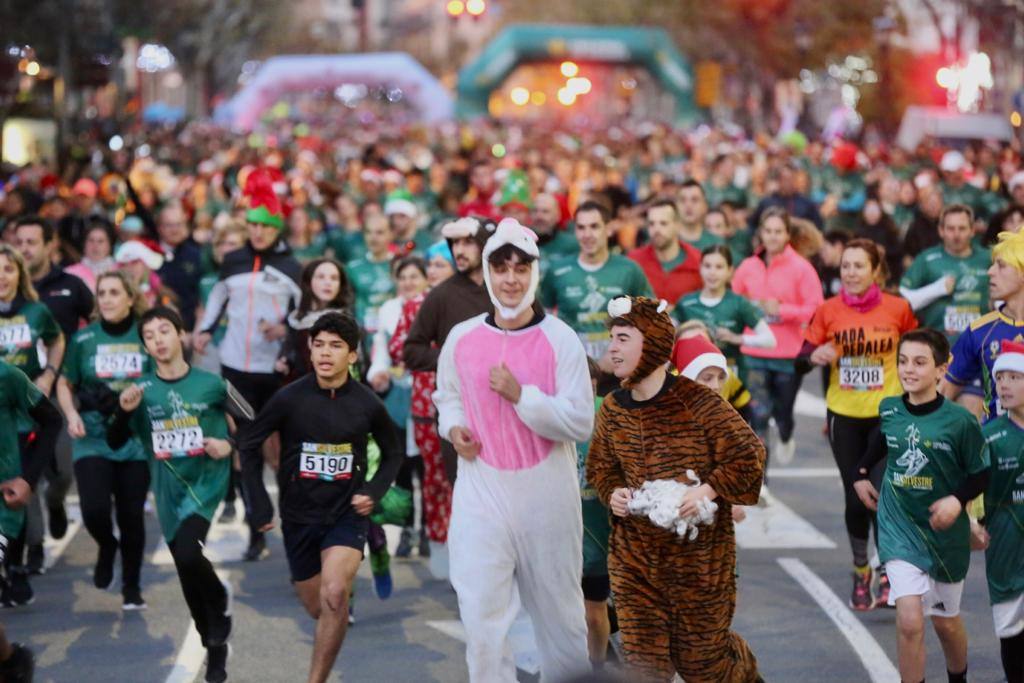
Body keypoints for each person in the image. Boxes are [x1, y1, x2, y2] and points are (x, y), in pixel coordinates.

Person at [434, 218, 593, 683]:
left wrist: (522, 396)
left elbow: (580, 419)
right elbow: (448, 396)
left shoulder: (560, 340)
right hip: (481, 491)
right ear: (486, 272)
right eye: (500, 268)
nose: (510, 279)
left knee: (561, 621)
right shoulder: (462, 337)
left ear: (534, 273)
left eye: (520, 269)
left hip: (547, 498)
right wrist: (454, 428)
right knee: (481, 618)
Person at [586, 295, 765, 682]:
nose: (611, 349)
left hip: (698, 561)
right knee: (644, 669)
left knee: (703, 665)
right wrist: (613, 492)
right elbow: (600, 469)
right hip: (634, 562)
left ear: (649, 342)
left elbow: (749, 455)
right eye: (612, 339)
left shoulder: (698, 401)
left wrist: (709, 490)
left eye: (622, 339)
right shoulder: (613, 408)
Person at [238, 311, 403, 683]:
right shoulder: (288, 399)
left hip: (346, 515)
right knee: (319, 607)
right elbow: (248, 444)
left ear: (352, 356)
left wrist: (373, 492)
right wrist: (259, 503)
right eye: (319, 345)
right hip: (299, 518)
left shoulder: (367, 403)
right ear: (310, 351)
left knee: (333, 593)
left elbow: (393, 453)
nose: (325, 353)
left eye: (336, 346)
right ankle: (344, 595)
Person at [107, 306, 254, 683]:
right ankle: (214, 648)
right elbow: (114, 439)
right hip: (167, 485)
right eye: (150, 336)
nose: (158, 340)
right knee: (187, 573)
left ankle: (219, 604)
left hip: (205, 481)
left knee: (190, 552)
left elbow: (254, 422)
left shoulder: (212, 384)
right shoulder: (139, 390)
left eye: (164, 331)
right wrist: (123, 414)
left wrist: (229, 444)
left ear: (181, 334)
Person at [853, 328, 988, 683]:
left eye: (919, 362)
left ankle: (958, 678)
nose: (908, 370)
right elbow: (881, 442)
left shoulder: (960, 422)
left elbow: (980, 474)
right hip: (899, 526)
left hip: (944, 535)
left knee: (945, 622)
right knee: (910, 620)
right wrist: (862, 472)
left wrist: (957, 502)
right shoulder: (890, 408)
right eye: (902, 361)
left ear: (942, 370)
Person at [801, 238, 917, 610]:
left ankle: (887, 572)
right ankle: (860, 567)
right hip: (845, 415)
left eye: (858, 266)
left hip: (887, 415)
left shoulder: (898, 309)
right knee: (856, 496)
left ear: (876, 271)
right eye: (846, 266)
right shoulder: (828, 310)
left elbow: (917, 348)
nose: (850, 272)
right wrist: (812, 356)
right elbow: (800, 357)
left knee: (883, 494)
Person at [195, 168, 302, 562]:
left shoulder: (291, 266)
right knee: (247, 443)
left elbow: (302, 316)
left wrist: (284, 329)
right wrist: (204, 331)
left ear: (277, 229)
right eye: (252, 226)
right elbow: (218, 299)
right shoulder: (233, 261)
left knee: (286, 449)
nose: (258, 233)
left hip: (275, 372)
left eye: (265, 227)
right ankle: (258, 525)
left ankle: (291, 522)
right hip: (235, 369)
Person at [56, 271, 151, 609]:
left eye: (114, 292)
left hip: (135, 438)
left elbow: (161, 378)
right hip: (93, 437)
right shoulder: (83, 340)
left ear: (130, 297)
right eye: (102, 293)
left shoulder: (146, 333)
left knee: (131, 515)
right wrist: (72, 415)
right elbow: (64, 383)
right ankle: (107, 545)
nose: (107, 299)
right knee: (94, 510)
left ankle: (131, 585)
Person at [403, 216, 495, 484]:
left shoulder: (505, 289)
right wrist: (456, 357)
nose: (459, 250)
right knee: (468, 500)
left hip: (506, 409)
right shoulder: (442, 295)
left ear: (485, 244)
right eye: (454, 243)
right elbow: (412, 351)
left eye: (468, 242)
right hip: (461, 415)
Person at [732, 207, 823, 462]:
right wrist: (748, 308)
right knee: (758, 414)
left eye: (777, 232)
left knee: (782, 414)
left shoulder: (801, 268)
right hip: (754, 352)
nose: (772, 237)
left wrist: (782, 310)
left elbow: (815, 308)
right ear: (761, 233)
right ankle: (762, 480)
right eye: (768, 231)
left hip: (787, 355)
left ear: (786, 235)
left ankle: (785, 434)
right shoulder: (749, 266)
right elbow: (734, 300)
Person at [0, 243, 65, 584]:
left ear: (20, 274)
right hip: (3, 415)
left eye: (8, 269)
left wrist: (49, 375)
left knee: (25, 481)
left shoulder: (36, 311)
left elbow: (57, 339)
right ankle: (16, 564)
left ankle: (23, 558)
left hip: (28, 405)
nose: (1, 276)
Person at [390, 241, 457, 572]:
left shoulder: (471, 302)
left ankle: (466, 541)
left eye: (440, 265)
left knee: (461, 478)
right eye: (431, 265)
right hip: (425, 404)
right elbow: (399, 350)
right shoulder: (413, 304)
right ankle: (439, 542)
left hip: (465, 403)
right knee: (434, 476)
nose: (433, 271)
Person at [367, 255, 430, 558]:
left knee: (427, 468)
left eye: (414, 276)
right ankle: (406, 528)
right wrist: (377, 372)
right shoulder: (388, 310)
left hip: (427, 394)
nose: (408, 282)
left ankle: (430, 529)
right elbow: (380, 349)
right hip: (396, 396)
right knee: (402, 466)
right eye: (403, 277)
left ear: (425, 279)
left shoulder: (433, 306)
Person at [542, 201, 653, 366]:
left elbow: (651, 318)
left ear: (608, 229)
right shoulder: (557, 270)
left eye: (594, 226)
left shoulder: (629, 269)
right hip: (570, 362)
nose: (587, 234)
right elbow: (545, 319)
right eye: (581, 228)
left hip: (618, 366)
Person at [979, 340, 1024, 683]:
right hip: (1006, 549)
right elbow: (970, 493)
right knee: (1012, 633)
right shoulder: (990, 437)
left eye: (1015, 377)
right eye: (1001, 377)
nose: (1004, 385)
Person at [944, 230, 1024, 420]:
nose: (990, 272)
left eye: (1001, 266)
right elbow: (945, 390)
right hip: (996, 443)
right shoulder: (980, 330)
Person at [675, 244, 775, 381]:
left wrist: (736, 338)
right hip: (693, 377)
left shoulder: (739, 303)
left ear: (730, 271)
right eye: (707, 266)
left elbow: (770, 340)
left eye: (719, 267)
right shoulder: (685, 302)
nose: (712, 272)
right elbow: (667, 334)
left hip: (731, 375)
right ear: (700, 268)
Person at [277, 258, 352, 380]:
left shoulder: (345, 321)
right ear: (308, 281)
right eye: (321, 277)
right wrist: (284, 361)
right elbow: (290, 351)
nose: (328, 283)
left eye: (334, 278)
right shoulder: (296, 318)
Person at [627, 199, 703, 307]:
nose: (656, 230)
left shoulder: (698, 261)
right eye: (651, 224)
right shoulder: (634, 261)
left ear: (678, 225)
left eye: (663, 223)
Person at [156, 203, 203, 330]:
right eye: (169, 225)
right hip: (157, 326)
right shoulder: (148, 254)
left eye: (179, 224)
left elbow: (200, 296)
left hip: (190, 328)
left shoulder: (196, 254)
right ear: (159, 227)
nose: (174, 229)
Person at [346, 214, 395, 335]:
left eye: (380, 232)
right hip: (362, 335)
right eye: (369, 232)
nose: (373, 238)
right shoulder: (352, 268)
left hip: (394, 333)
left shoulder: (402, 266)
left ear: (391, 234)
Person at [64, 218, 116, 292]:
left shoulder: (120, 271)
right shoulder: (69, 273)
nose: (95, 245)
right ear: (84, 245)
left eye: (100, 241)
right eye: (91, 240)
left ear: (109, 246)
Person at [675, 180, 724, 251]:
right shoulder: (666, 241)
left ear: (705, 206)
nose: (688, 205)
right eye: (683, 200)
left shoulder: (717, 243)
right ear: (675, 206)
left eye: (695, 200)